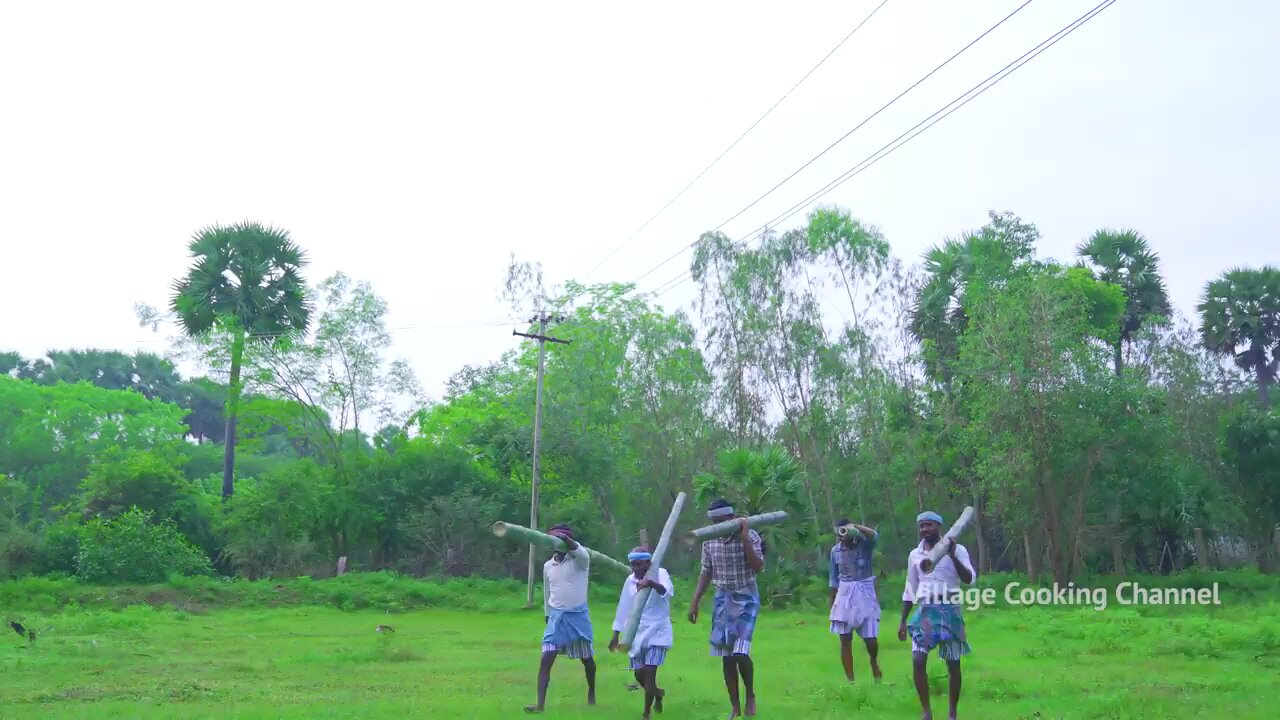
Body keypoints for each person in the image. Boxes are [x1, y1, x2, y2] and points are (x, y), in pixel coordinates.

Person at [688, 499, 765, 719]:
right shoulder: (709, 541)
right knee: (726, 655)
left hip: (746, 596)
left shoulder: (750, 536)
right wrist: (695, 601)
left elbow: (757, 567)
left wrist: (744, 540)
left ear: (730, 519)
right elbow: (706, 572)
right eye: (713, 522)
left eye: (720, 521)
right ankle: (735, 706)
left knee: (741, 651)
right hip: (722, 598)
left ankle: (750, 695)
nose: (717, 525)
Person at [898, 511, 976, 720]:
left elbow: (969, 578)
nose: (925, 529)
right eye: (922, 526)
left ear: (939, 527)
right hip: (925, 610)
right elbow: (910, 588)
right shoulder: (915, 555)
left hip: (949, 609)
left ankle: (952, 713)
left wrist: (951, 554)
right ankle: (927, 712)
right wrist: (903, 621)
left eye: (929, 525)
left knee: (953, 663)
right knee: (918, 659)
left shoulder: (958, 550)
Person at [526, 524, 596, 714]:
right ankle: (540, 704)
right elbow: (548, 592)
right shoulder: (548, 566)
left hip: (578, 616)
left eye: (559, 540)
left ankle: (592, 691)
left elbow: (580, 551)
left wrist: (565, 539)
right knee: (546, 658)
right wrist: (547, 615)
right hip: (556, 617)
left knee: (587, 659)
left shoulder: (580, 561)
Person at [609, 546, 674, 719]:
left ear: (648, 563)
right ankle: (657, 694)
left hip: (658, 632)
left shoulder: (661, 573)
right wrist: (616, 634)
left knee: (650, 672)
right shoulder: (630, 580)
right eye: (632, 565)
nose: (635, 569)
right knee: (639, 674)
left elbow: (667, 592)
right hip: (637, 632)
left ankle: (646, 713)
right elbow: (623, 607)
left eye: (638, 565)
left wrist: (651, 583)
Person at [828, 518, 882, 683]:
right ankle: (851, 680)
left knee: (870, 638)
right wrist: (832, 604)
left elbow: (875, 536)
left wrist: (856, 527)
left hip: (864, 591)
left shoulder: (864, 545)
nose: (841, 535)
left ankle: (873, 661)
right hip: (845, 593)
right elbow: (833, 579)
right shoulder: (835, 551)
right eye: (839, 532)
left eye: (844, 531)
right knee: (844, 639)